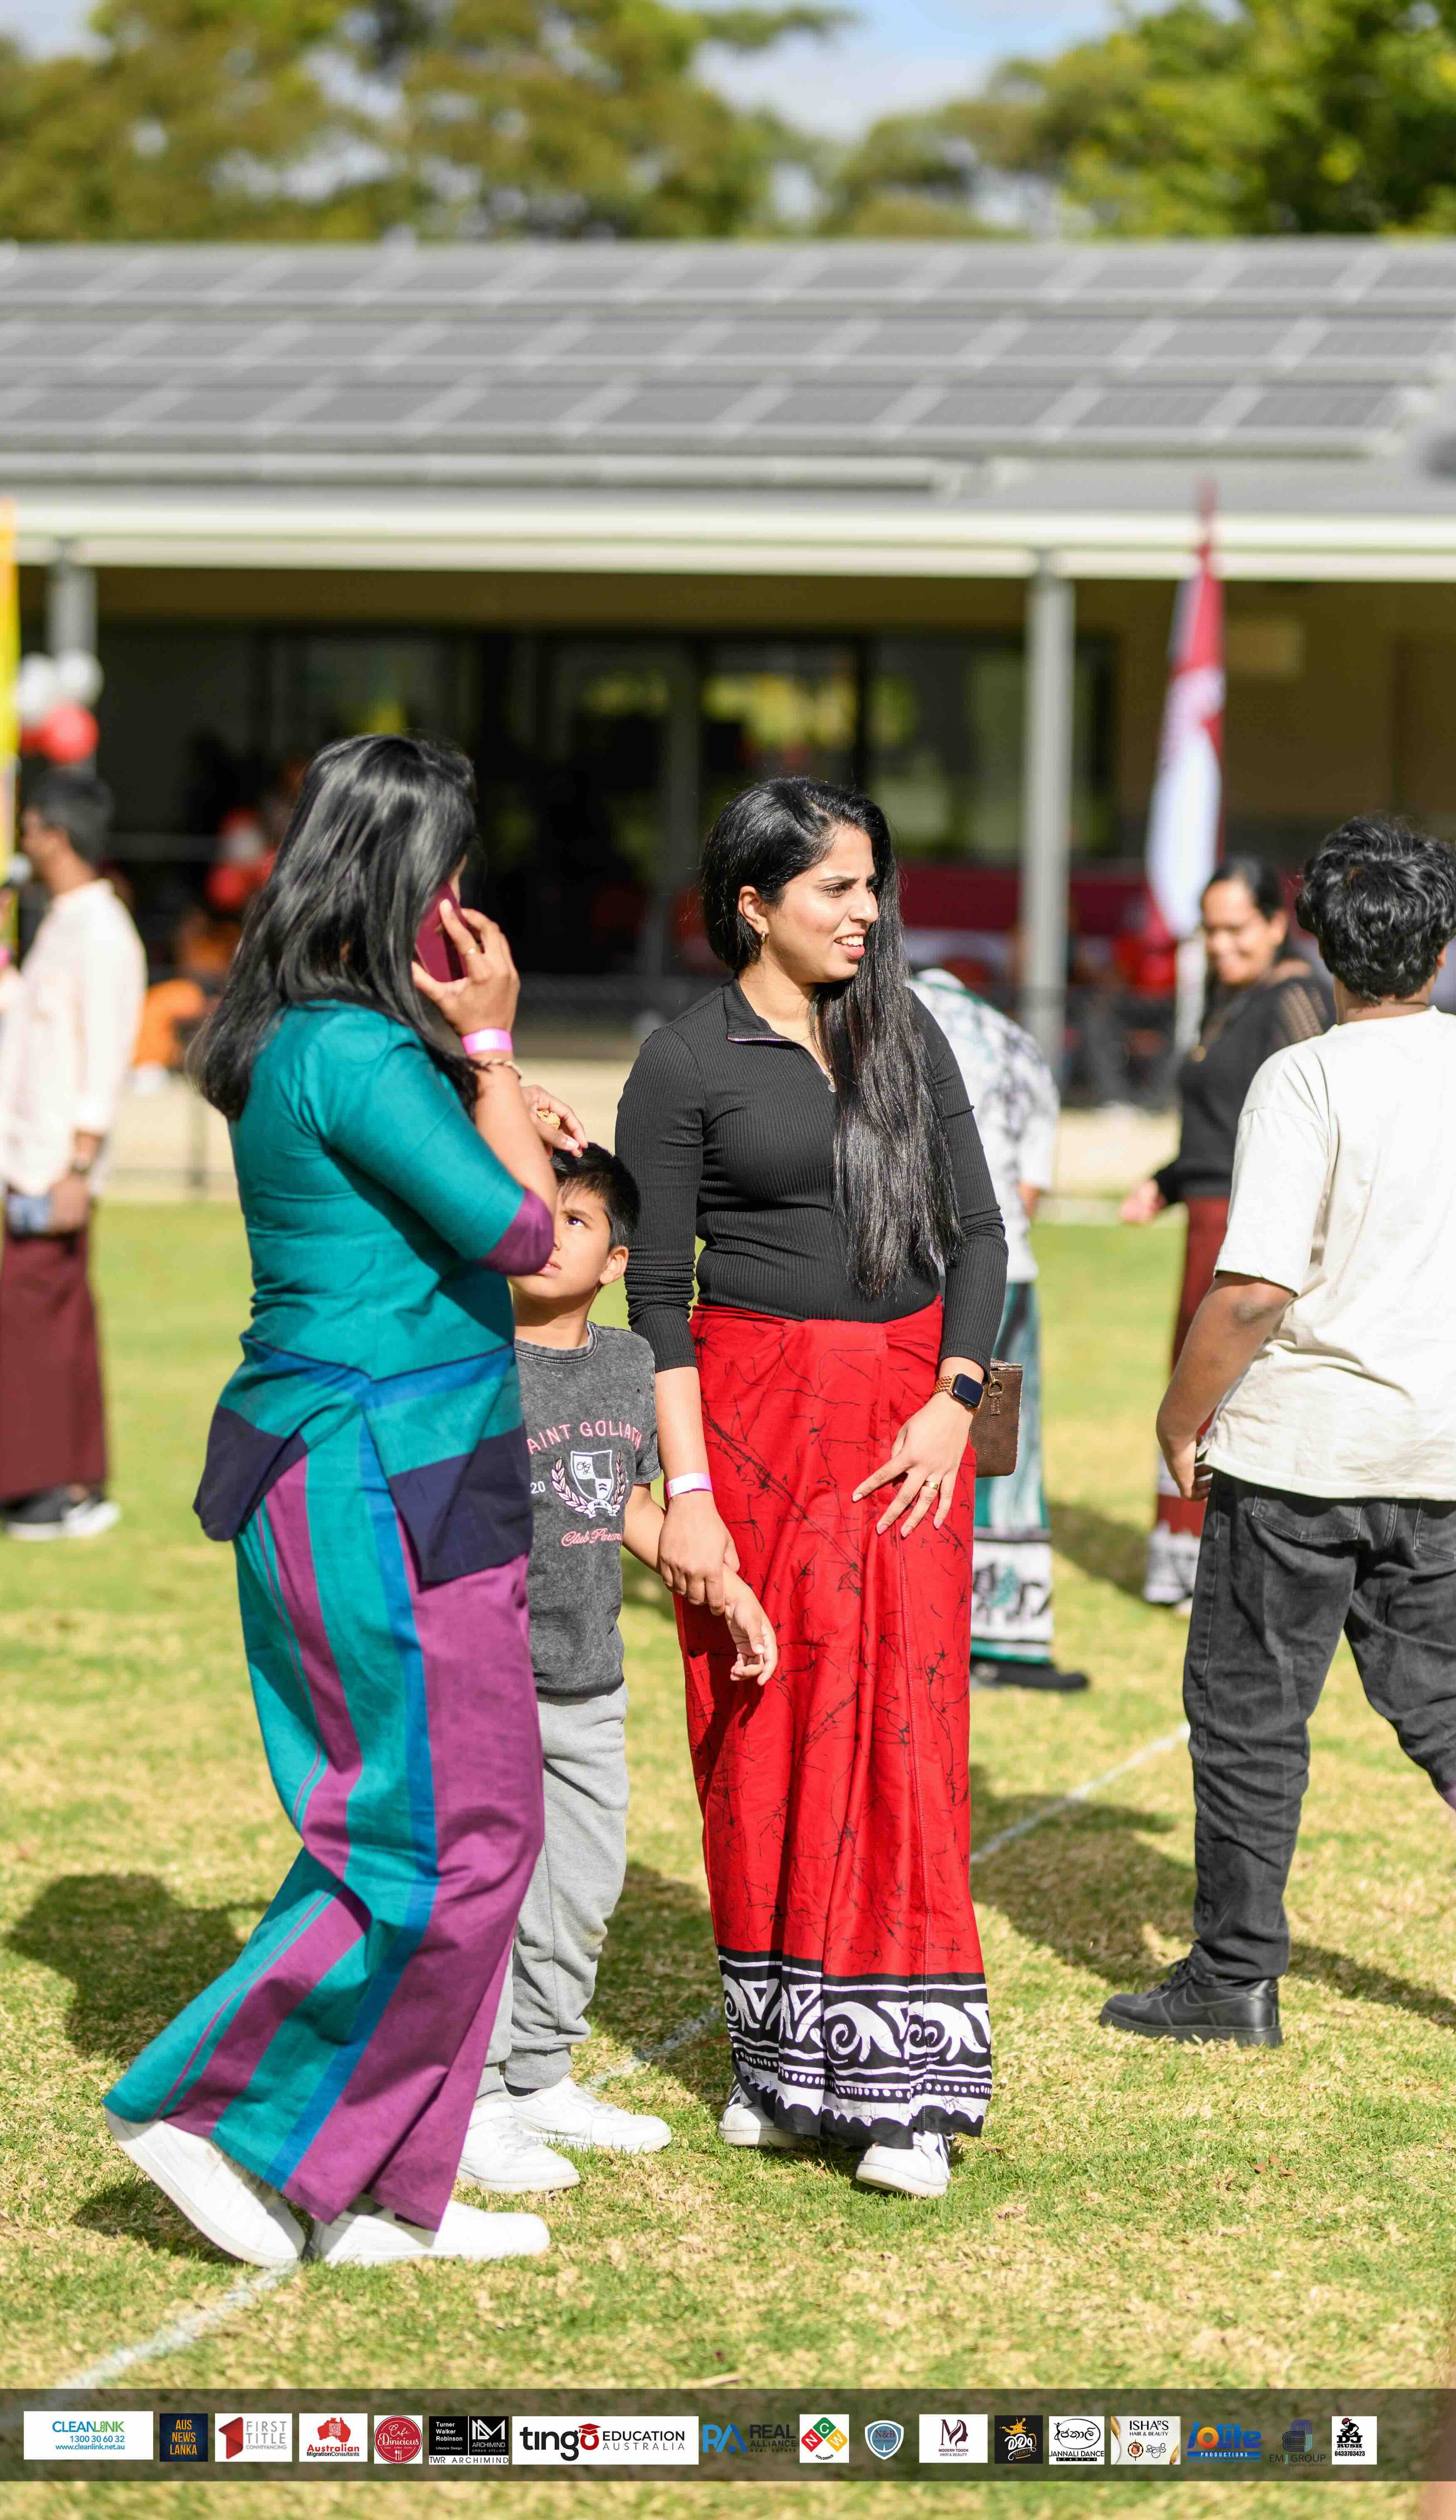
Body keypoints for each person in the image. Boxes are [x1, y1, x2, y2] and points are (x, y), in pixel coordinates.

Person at [103, 734, 589, 2270]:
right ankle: (211, 2111)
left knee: (479, 1828)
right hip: (369, 1467)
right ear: (400, 878)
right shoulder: (353, 1052)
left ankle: (375, 2178)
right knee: (418, 1835)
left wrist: (473, 1069)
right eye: (449, 872)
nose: (465, 904)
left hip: (420, 1461)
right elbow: (532, 1243)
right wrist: (496, 1050)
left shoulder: (352, 1045)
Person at [616, 779, 1007, 2201]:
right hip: (755, 1421)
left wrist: (952, 1400)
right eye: (836, 887)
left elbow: (977, 1234)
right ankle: (779, 2063)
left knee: (900, 1724)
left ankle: (903, 2089)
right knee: (760, 1721)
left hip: (908, 1430)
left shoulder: (905, 1032)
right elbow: (658, 1292)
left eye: (869, 885)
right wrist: (688, 1492)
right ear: (752, 901)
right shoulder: (682, 1056)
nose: (865, 911)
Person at [1103, 816, 1456, 2049]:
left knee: (1252, 1717)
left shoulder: (1303, 1076)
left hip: (1299, 1453)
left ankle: (1233, 1981)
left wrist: (1179, 1412)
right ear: (1446, 942)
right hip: (1438, 1454)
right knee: (1448, 1714)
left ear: (1314, 938)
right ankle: (1231, 1977)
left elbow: (1254, 1289)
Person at [460, 1145, 777, 2197]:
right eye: (532, 1213)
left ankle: (543, 2071)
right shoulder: (465, 1354)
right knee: (490, 1895)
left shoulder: (629, 1364)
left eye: (577, 1222)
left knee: (583, 1888)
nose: (550, 1234)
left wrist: (722, 1585)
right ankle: (480, 2099)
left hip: (589, 1678)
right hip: (488, 1682)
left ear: (616, 1260)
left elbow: (631, 1506)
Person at [1120, 858, 1331, 1608]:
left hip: (1249, 1223)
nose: (1219, 944)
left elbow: (1313, 1104)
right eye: (1209, 930)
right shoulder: (1230, 999)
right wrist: (1168, 1180)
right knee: (1193, 1376)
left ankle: (1233, 1561)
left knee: (1223, 1378)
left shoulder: (1297, 995)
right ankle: (1184, 1555)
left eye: (1236, 928)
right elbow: (1219, 1129)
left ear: (1277, 924)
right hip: (1206, 1210)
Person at [0, 770, 146, 1538]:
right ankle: (67, 1483)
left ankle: (46, 1489)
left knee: (38, 1318)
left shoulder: (101, 931)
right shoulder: (64, 922)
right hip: (33, 1150)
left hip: (55, 1159)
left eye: (31, 826)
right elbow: (37, 1024)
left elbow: (105, 1055)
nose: (23, 841)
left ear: (56, 835)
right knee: (52, 1318)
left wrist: (79, 1163)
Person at [912, 965, 1085, 1692]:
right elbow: (1028, 1192)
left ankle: (927, 1624)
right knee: (1006, 1452)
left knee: (926, 1446)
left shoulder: (901, 1019)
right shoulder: (1018, 1043)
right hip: (1010, 1268)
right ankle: (1009, 1636)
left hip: (928, 1272)